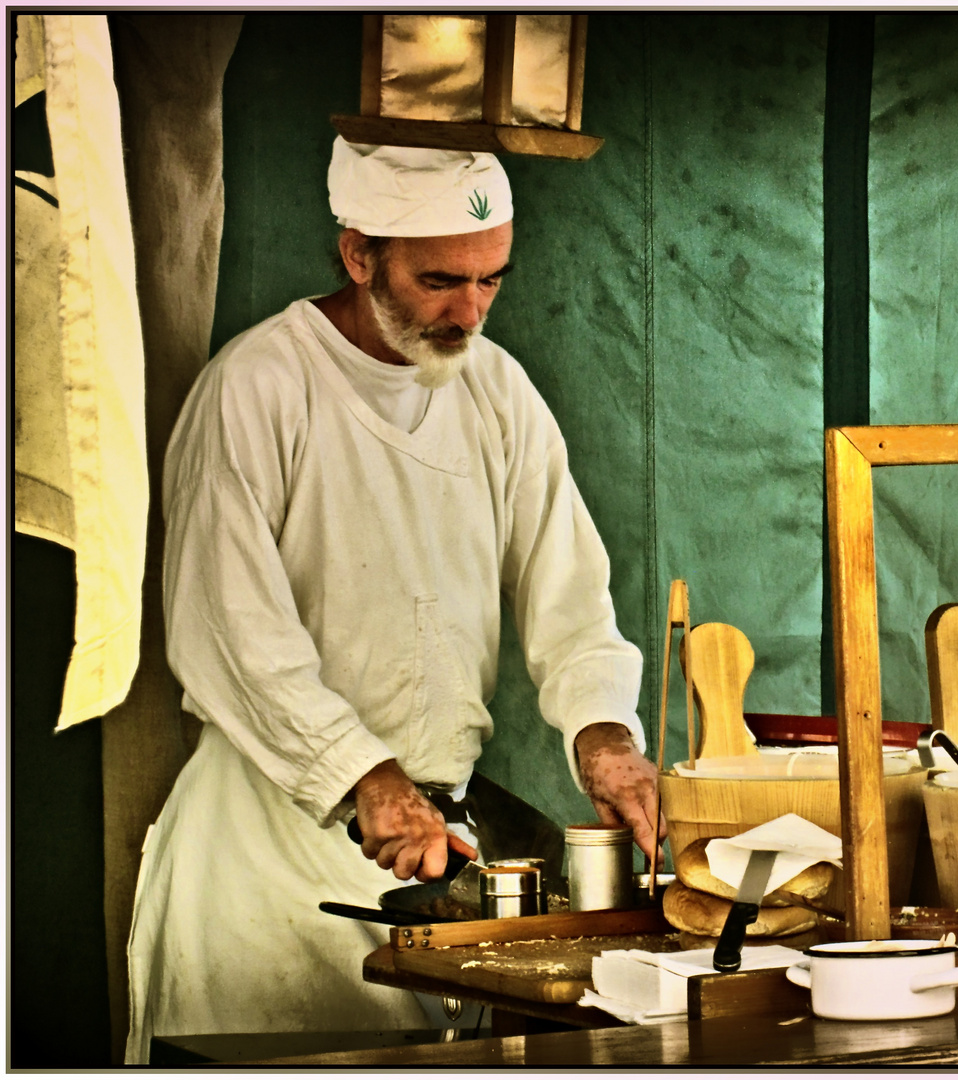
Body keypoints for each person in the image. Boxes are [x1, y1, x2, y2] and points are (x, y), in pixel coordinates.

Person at [125, 139, 663, 1060]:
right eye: (440, 281)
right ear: (358, 253)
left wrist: (606, 743)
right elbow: (229, 632)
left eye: (491, 281)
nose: (469, 311)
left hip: (429, 855)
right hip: (268, 852)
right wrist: (364, 779)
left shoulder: (498, 391)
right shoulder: (259, 387)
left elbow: (567, 592)